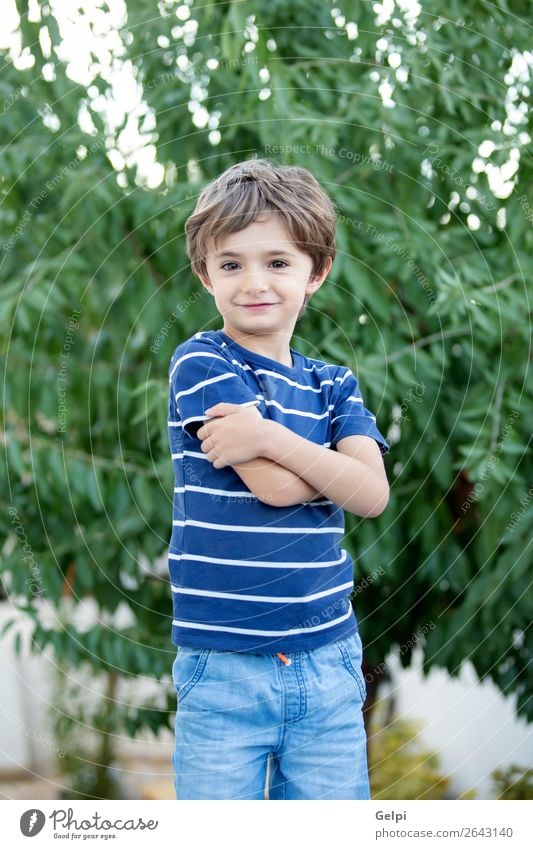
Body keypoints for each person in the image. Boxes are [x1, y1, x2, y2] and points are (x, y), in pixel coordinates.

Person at [167, 158, 390, 800]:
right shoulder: (202, 361)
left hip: (328, 661)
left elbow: (372, 496)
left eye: (278, 262)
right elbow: (275, 488)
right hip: (223, 671)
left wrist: (265, 435)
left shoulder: (335, 384)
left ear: (315, 272)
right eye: (231, 263)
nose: (253, 282)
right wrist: (332, 467)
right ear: (204, 273)